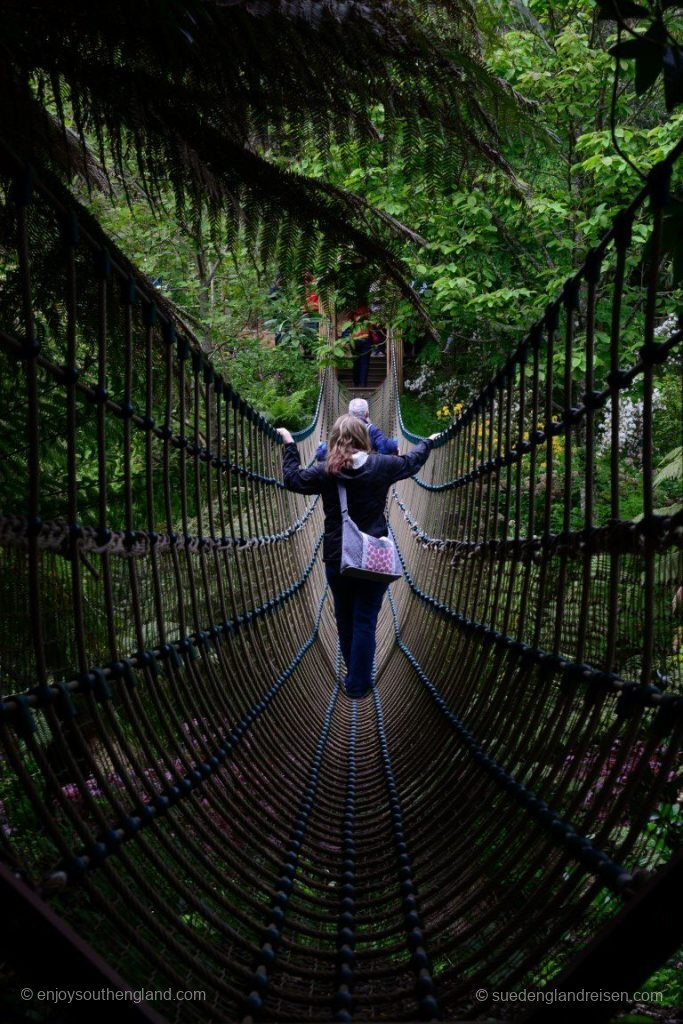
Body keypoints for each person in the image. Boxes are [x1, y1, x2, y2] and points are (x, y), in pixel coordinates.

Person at [277, 415, 438, 699]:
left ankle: (354, 673)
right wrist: (427, 443)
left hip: (338, 558)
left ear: (335, 440)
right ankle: (358, 684)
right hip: (374, 558)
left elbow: (292, 479)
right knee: (365, 619)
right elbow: (412, 462)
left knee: (344, 616)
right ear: (364, 438)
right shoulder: (382, 465)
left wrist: (290, 443)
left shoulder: (326, 471)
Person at [315, 397, 395, 460]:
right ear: (367, 414)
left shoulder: (342, 428)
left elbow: (321, 455)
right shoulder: (372, 430)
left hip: (344, 467)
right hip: (367, 470)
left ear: (349, 414)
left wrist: (321, 448)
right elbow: (386, 447)